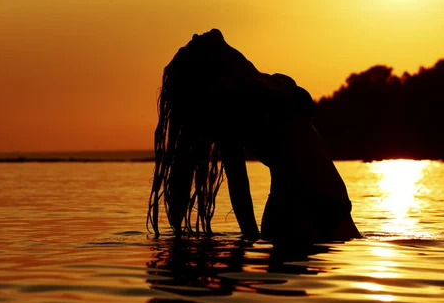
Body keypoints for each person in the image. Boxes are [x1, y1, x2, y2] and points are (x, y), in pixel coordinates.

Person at [147, 29, 361, 243]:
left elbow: (238, 179)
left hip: (301, 199)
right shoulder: (250, 90)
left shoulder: (245, 90)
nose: (197, 35)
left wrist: (249, 237)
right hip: (328, 195)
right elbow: (238, 176)